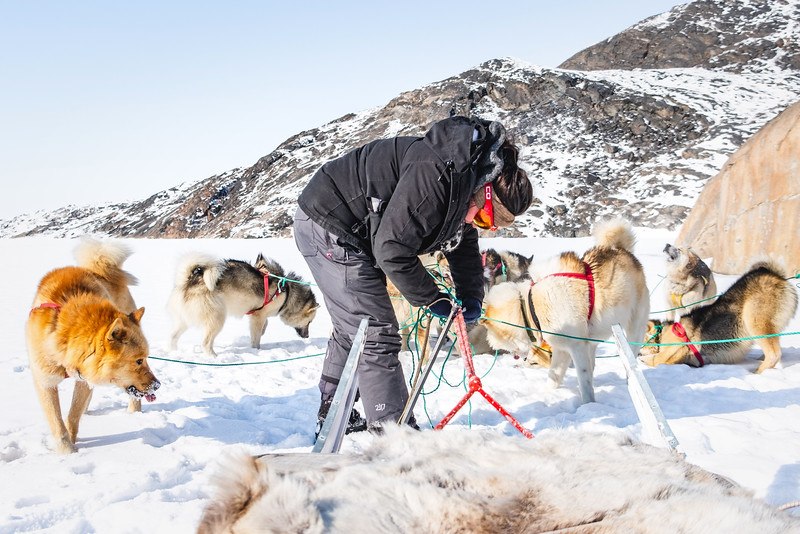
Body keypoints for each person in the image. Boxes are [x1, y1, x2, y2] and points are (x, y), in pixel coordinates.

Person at [293, 115, 534, 436]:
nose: (478, 225)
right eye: (485, 219)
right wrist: (433, 299)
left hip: (356, 231)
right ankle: (395, 433)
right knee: (376, 330)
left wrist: (471, 295)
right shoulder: (438, 174)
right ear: (485, 192)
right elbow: (391, 249)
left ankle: (335, 410)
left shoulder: (464, 182)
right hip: (329, 222)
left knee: (355, 325)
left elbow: (463, 242)